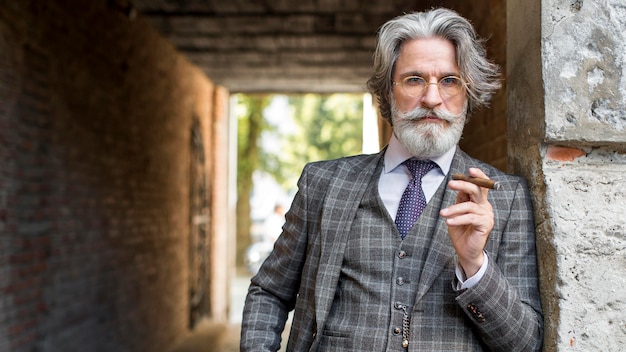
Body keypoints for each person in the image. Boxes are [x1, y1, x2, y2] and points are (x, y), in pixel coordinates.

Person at [241, 8, 543, 352]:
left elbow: (526, 343)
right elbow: (269, 292)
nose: (432, 98)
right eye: (414, 79)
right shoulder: (323, 183)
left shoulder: (507, 198)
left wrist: (476, 266)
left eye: (449, 80)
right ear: (388, 91)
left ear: (467, 94)